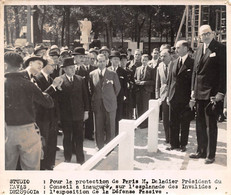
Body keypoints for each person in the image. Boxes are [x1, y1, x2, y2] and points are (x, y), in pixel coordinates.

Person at [5, 52, 62, 170]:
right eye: (38, 63)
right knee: (31, 169)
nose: (41, 66)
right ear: (21, 65)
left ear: (5, 65)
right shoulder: (28, 83)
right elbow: (47, 102)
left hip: (7, 131)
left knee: (7, 169)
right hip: (27, 130)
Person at [189, 25, 226, 164]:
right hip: (198, 92)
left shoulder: (221, 48)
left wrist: (221, 92)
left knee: (211, 125)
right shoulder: (199, 49)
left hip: (212, 93)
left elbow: (224, 72)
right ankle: (201, 151)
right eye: (202, 34)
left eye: (207, 33)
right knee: (199, 124)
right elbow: (195, 72)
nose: (205, 36)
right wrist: (193, 90)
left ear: (213, 33)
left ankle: (210, 155)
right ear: (199, 37)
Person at [57, 57, 89, 164]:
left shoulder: (80, 79)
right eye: (70, 68)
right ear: (64, 69)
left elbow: (85, 96)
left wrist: (86, 111)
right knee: (67, 137)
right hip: (65, 115)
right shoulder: (59, 80)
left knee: (79, 137)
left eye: (73, 67)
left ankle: (81, 159)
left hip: (78, 114)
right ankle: (67, 158)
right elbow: (57, 99)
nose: (72, 69)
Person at [167, 40, 194, 152]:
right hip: (173, 97)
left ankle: (183, 144)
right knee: (173, 122)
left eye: (178, 47)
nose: (176, 50)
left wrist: (192, 98)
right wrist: (169, 96)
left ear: (186, 48)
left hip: (185, 98)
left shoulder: (192, 63)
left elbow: (193, 81)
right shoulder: (173, 62)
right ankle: (174, 144)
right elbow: (170, 81)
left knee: (184, 122)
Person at [89, 54, 121, 150]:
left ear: (106, 62)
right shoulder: (92, 74)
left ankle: (110, 146)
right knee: (98, 126)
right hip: (98, 104)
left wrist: (110, 97)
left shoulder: (113, 74)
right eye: (99, 61)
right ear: (96, 62)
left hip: (110, 104)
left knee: (110, 126)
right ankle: (99, 146)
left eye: (103, 61)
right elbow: (91, 89)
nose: (101, 63)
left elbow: (117, 88)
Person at [34, 57, 60, 170]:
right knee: (44, 142)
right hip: (42, 117)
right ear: (45, 66)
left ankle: (50, 163)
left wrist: (57, 88)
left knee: (52, 141)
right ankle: (43, 165)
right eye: (52, 65)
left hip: (52, 116)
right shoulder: (37, 78)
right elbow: (41, 97)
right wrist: (53, 86)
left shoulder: (51, 78)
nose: (54, 67)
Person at [156, 49, 173, 143]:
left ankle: (174, 138)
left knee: (173, 118)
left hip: (173, 95)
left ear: (170, 55)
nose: (162, 58)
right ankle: (168, 139)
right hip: (163, 96)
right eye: (161, 56)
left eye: (164, 56)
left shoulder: (174, 64)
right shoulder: (160, 66)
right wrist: (157, 96)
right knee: (165, 118)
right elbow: (157, 82)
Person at [108, 51, 128, 134]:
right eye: (114, 59)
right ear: (110, 60)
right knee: (109, 116)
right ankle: (109, 134)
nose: (116, 61)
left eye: (117, 59)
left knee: (118, 115)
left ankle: (117, 134)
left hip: (119, 97)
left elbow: (125, 86)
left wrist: (124, 95)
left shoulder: (123, 72)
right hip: (109, 97)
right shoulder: (107, 70)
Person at [134, 54, 155, 128]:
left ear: (148, 61)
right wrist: (136, 81)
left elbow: (153, 81)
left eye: (146, 60)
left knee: (145, 107)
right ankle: (139, 123)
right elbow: (135, 78)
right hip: (138, 90)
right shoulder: (137, 69)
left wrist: (145, 82)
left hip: (146, 91)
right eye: (143, 60)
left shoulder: (151, 70)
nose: (144, 61)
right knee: (138, 107)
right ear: (141, 60)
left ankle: (145, 123)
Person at [126, 49, 142, 119]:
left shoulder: (142, 64)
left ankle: (138, 118)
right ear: (134, 55)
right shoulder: (129, 64)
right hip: (131, 87)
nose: (137, 56)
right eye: (136, 54)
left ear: (141, 55)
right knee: (131, 104)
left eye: (139, 54)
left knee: (138, 104)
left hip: (139, 87)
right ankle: (131, 117)